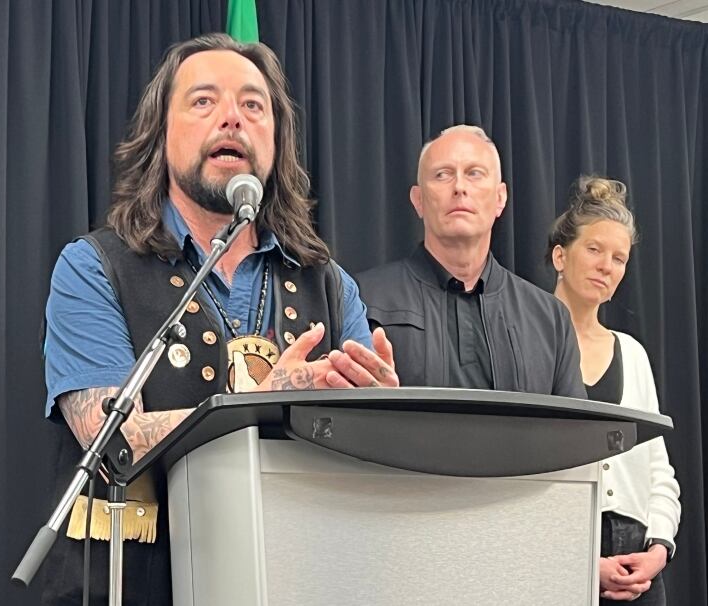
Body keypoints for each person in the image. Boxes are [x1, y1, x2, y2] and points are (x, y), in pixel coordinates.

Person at [41, 33, 397, 605]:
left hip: (294, 581)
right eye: (204, 101)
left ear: (276, 142)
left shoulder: (330, 283)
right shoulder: (93, 268)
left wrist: (382, 409)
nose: (232, 118)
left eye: (253, 106)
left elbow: (373, 453)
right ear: (161, 134)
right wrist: (268, 404)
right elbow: (113, 442)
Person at [356, 125, 585, 396]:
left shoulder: (550, 319)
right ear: (418, 200)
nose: (460, 187)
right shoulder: (363, 301)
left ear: (500, 198)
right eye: (442, 175)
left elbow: (573, 433)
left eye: (474, 173)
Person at [548, 176, 680, 604]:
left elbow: (659, 471)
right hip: (555, 551)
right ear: (559, 256)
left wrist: (658, 547)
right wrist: (579, 559)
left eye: (619, 258)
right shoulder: (528, 344)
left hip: (638, 563)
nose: (607, 266)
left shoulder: (634, 354)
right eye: (594, 249)